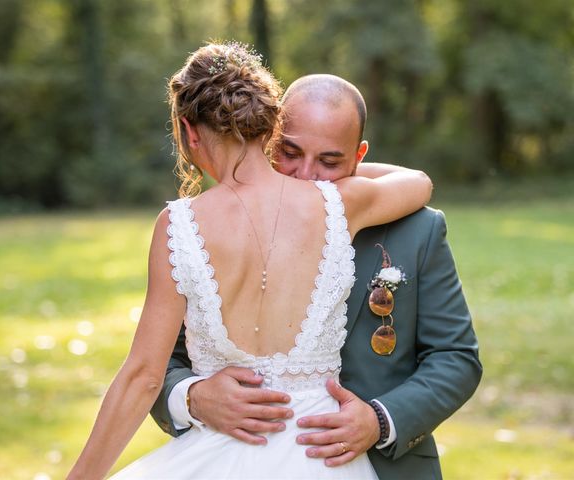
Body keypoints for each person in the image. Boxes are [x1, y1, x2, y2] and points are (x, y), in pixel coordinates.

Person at [66, 43, 432, 480]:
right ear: (269, 126)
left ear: (188, 129)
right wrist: (344, 168)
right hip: (322, 457)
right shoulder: (340, 204)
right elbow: (418, 182)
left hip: (221, 456)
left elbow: (143, 376)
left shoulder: (178, 225)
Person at [150, 74, 482, 479]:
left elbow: (456, 357)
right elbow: (158, 361)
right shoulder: (218, 224)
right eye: (288, 152)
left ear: (358, 157)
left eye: (329, 161)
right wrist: (193, 397)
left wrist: (380, 421)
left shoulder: (417, 230)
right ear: (266, 138)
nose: (305, 174)